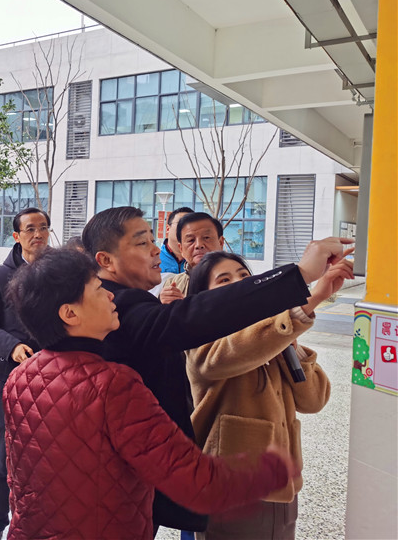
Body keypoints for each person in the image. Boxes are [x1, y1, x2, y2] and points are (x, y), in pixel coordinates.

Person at [80, 206, 351, 535]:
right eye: (142, 242)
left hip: (273, 484)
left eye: (153, 239)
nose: (156, 250)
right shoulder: (123, 309)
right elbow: (200, 327)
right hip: (166, 483)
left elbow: (313, 398)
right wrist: (302, 278)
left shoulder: (126, 305)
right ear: (105, 260)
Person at [2, 248, 296, 540]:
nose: (111, 296)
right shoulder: (114, 384)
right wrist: (264, 472)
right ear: (70, 314)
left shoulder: (19, 378)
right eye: (98, 290)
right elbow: (191, 477)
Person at [186, 250, 351, 539]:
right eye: (224, 280)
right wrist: (309, 301)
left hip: (282, 487)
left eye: (244, 276)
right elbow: (228, 355)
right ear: (203, 297)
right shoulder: (201, 340)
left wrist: (294, 346)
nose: (239, 284)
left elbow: (314, 400)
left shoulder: (274, 333)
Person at [0, 207, 50, 540]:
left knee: (45, 457)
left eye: (43, 227)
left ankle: (34, 519)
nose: (38, 234)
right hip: (9, 378)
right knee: (0, 458)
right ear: (17, 236)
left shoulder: (60, 273)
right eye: (30, 229)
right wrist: (12, 346)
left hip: (51, 380)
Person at [161, 212, 225, 303]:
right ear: (181, 248)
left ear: (221, 242)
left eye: (206, 237)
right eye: (191, 240)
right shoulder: (172, 284)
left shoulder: (236, 279)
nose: (199, 245)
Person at [160, 207, 193, 274]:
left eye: (190, 224)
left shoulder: (200, 260)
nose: (186, 228)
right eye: (181, 223)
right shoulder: (154, 259)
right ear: (168, 228)